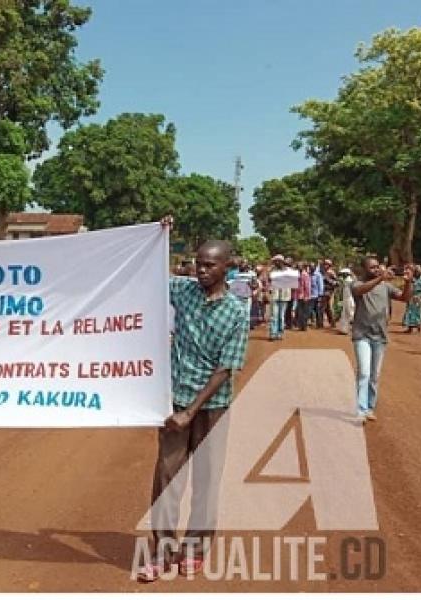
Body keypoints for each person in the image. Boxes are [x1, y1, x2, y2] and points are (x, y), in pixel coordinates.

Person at [138, 217, 249, 583]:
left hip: (211, 408)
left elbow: (225, 368)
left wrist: (191, 411)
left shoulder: (235, 312)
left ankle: (196, 548)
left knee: (207, 479)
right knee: (167, 478)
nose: (200, 270)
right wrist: (158, 234)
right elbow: (148, 274)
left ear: (226, 267)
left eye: (209, 265)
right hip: (174, 402)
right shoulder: (183, 291)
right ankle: (162, 549)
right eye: (198, 263)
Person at [351, 257, 413, 423]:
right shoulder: (357, 284)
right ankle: (361, 409)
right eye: (372, 268)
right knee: (364, 372)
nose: (376, 269)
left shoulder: (386, 287)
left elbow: (404, 298)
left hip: (380, 336)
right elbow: (359, 291)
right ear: (364, 270)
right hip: (361, 334)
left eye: (378, 267)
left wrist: (408, 282)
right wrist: (381, 278)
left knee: (374, 375)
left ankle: (370, 407)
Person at [267, 254, 292, 341]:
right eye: (275, 261)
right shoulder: (272, 270)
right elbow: (269, 280)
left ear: (282, 262)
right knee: (274, 315)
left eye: (277, 261)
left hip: (285, 295)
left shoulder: (289, 270)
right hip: (275, 295)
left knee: (281, 316)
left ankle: (280, 333)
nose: (276, 262)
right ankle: (273, 333)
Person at [402, 265, 421, 333]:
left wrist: (417, 294)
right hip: (412, 297)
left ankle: (419, 328)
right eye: (415, 271)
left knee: (418, 312)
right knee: (410, 311)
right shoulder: (414, 279)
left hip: (419, 297)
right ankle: (410, 328)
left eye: (417, 272)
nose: (416, 273)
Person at [336, 267, 355, 334]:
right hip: (346, 299)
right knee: (344, 314)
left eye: (343, 274)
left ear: (347, 274)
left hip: (350, 299)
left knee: (351, 314)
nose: (342, 275)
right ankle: (344, 330)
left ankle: (354, 329)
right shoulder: (346, 281)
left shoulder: (349, 281)